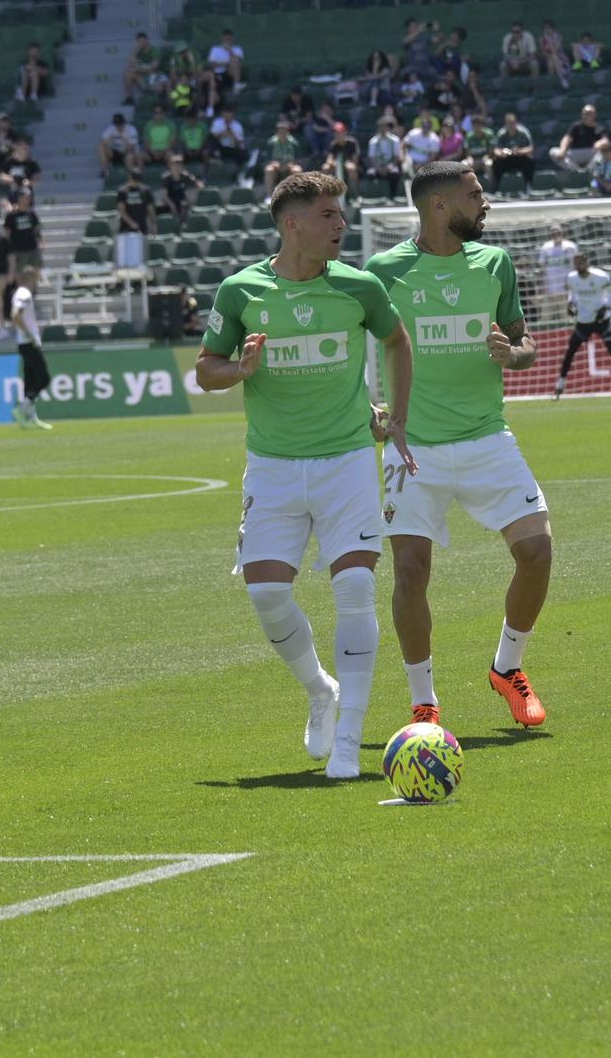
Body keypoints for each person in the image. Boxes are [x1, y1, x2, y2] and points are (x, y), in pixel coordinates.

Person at [195, 171, 414, 777]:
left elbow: (397, 342)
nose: (341, 224)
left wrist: (396, 415)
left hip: (346, 462)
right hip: (273, 466)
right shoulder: (241, 291)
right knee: (266, 592)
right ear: (292, 224)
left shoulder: (359, 287)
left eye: (340, 214)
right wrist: (239, 369)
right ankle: (322, 690)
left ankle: (350, 737)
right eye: (328, 215)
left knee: (354, 587)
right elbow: (205, 370)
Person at [365, 162, 552, 730]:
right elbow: (356, 353)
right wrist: (369, 411)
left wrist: (514, 355)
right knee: (410, 573)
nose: (486, 202)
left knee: (537, 552)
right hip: (411, 447)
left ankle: (507, 668)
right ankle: (424, 701)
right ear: (439, 206)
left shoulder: (494, 263)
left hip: (486, 440)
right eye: (475, 194)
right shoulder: (384, 272)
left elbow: (525, 343)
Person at [555, 251, 611, 396]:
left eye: (581, 262)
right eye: (576, 263)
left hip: (600, 319)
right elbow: (572, 293)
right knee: (570, 351)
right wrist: (570, 304)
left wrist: (606, 306)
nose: (578, 265)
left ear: (587, 262)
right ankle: (561, 382)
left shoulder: (600, 276)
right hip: (583, 320)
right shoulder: (571, 278)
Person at [7, 265, 54, 429]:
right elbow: (15, 315)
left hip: (24, 343)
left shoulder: (19, 294)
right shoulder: (24, 293)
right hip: (28, 342)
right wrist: (30, 335)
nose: (36, 284)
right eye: (35, 280)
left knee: (30, 381)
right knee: (44, 378)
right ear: (30, 279)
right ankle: (21, 410)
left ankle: (29, 418)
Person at [116, 163, 154, 269]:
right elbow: (121, 210)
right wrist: (131, 222)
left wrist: (153, 222)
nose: (136, 182)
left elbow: (150, 207)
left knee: (142, 254)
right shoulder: (123, 191)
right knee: (127, 256)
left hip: (142, 224)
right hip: (126, 227)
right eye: (134, 179)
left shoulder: (145, 190)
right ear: (130, 178)